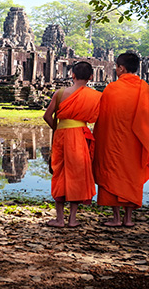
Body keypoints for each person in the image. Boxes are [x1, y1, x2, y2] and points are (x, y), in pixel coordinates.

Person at [92, 52, 149, 227]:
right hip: (136, 143)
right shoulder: (146, 89)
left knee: (112, 174)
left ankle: (116, 218)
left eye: (117, 67)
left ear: (122, 68)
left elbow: (103, 119)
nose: (116, 70)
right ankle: (128, 218)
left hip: (113, 142)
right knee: (131, 176)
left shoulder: (112, 88)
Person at [42, 61, 102, 228]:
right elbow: (98, 118)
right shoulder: (96, 96)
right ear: (91, 77)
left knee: (59, 172)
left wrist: (60, 127)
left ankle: (59, 219)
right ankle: (72, 219)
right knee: (77, 174)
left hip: (62, 136)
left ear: (72, 75)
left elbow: (47, 116)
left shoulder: (60, 93)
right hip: (81, 136)